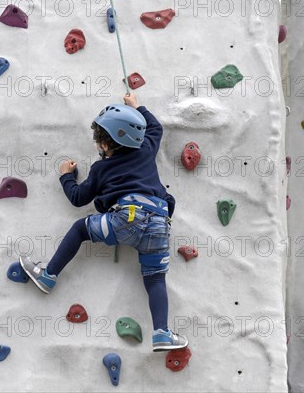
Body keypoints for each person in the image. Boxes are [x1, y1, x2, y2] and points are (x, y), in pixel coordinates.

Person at [20, 92, 188, 352]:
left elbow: (78, 198)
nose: (97, 143)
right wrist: (137, 106)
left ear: (107, 146)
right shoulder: (146, 149)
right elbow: (156, 127)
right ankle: (162, 334)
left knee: (80, 228)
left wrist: (66, 176)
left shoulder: (101, 169)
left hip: (126, 218)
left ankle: (49, 276)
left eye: (98, 139)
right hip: (159, 223)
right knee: (155, 279)